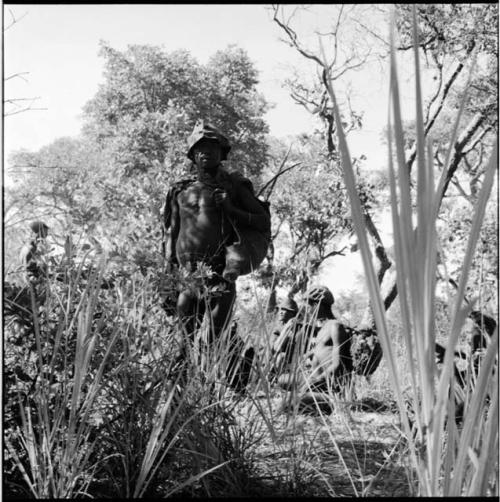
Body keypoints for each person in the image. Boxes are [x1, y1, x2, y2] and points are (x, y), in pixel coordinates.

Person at [162, 120, 271, 346]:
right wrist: (167, 274)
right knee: (183, 343)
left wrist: (231, 208)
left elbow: (263, 221)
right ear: (192, 154)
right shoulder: (179, 190)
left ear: (222, 153)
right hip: (187, 277)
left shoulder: (234, 186)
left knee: (214, 342)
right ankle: (183, 379)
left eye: (212, 148)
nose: (206, 153)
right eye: (200, 148)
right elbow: (171, 233)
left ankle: (218, 377)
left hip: (220, 274)